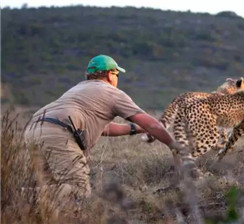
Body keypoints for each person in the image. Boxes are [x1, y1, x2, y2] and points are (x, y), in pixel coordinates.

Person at [24, 54, 184, 204]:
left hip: (34, 129)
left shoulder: (78, 89)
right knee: (78, 189)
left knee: (51, 191)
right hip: (60, 132)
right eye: (117, 75)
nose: (117, 79)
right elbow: (151, 123)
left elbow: (103, 127)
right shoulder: (112, 93)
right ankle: (15, 195)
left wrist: (136, 129)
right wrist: (173, 144)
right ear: (110, 75)